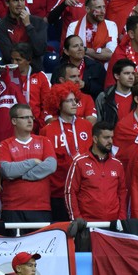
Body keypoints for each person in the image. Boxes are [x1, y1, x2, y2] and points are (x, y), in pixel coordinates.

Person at [40, 82, 93, 221]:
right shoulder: (48, 129)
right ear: (58, 104)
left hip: (84, 190)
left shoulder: (86, 125)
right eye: (69, 101)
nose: (74, 104)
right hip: (58, 190)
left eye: (75, 100)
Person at [0, 104, 57, 222]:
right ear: (14, 121)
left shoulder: (44, 141)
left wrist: (22, 175)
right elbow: (7, 171)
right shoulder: (4, 145)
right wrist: (33, 162)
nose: (30, 120)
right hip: (12, 208)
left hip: (41, 207)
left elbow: (51, 166)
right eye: (25, 118)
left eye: (31, 117)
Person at [63, 121, 126, 221]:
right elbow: (70, 192)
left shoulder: (117, 164)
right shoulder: (79, 162)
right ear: (95, 139)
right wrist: (77, 219)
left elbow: (122, 193)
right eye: (106, 138)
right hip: (88, 224)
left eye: (111, 137)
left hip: (112, 225)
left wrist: (121, 218)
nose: (110, 141)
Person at [95, 59, 135, 126]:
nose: (131, 77)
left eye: (133, 73)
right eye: (127, 73)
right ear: (117, 76)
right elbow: (98, 124)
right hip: (112, 135)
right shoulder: (104, 97)